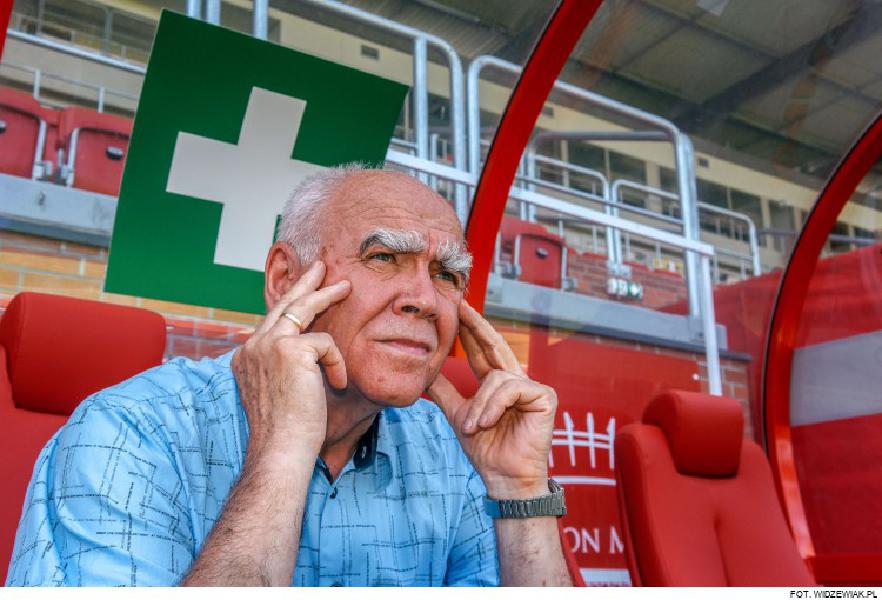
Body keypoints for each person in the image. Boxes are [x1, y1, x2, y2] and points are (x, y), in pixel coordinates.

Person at [6, 166, 572, 587]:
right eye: (383, 258)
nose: (425, 299)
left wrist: (518, 488)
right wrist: (281, 452)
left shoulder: (452, 448)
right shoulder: (127, 432)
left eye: (447, 274)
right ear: (284, 279)